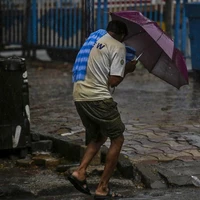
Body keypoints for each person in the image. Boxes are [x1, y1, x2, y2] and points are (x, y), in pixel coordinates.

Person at [68, 20, 137, 199]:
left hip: (79, 95)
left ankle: (80, 172)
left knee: (99, 136)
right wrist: (127, 69)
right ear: (121, 35)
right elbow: (113, 81)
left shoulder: (94, 38)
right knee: (118, 139)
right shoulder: (118, 46)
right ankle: (102, 187)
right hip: (97, 98)